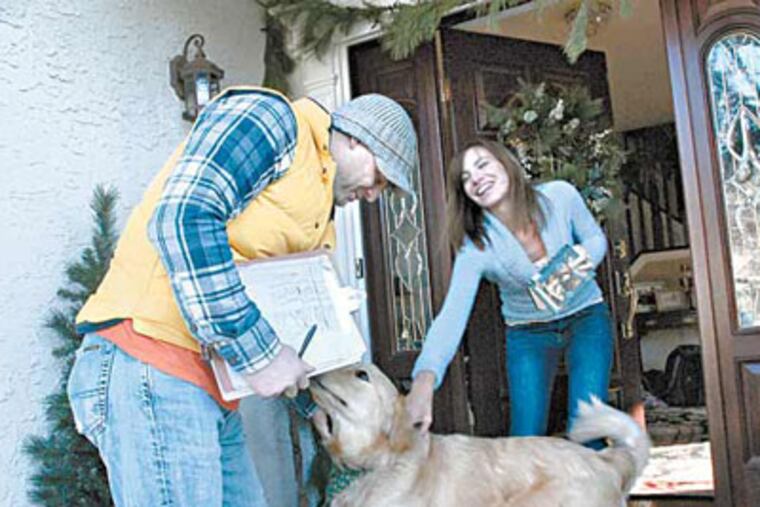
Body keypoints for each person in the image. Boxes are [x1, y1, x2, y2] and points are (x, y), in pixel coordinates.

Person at [67, 87, 418, 506]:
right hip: (151, 361)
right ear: (358, 139)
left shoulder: (317, 204)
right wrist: (262, 356)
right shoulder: (273, 120)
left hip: (211, 384)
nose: (375, 194)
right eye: (379, 177)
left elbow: (273, 304)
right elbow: (183, 218)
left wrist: (314, 401)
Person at [405, 138, 613, 444]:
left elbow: (596, 239)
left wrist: (574, 267)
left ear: (506, 163)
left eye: (482, 164)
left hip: (587, 319)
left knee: (588, 429)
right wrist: (423, 382)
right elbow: (452, 315)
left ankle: (595, 492)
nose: (476, 178)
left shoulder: (560, 195)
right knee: (524, 439)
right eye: (466, 178)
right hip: (527, 334)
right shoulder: (477, 247)